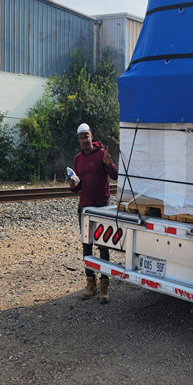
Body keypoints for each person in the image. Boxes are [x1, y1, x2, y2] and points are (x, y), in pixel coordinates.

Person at [70, 122, 118, 302]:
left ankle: (105, 286)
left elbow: (115, 175)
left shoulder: (101, 154)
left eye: (86, 136)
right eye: (81, 138)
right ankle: (91, 284)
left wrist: (109, 163)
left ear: (91, 136)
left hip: (102, 207)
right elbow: (78, 186)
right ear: (78, 139)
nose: (84, 140)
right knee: (87, 245)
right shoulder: (77, 159)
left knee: (103, 246)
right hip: (85, 207)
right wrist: (74, 186)